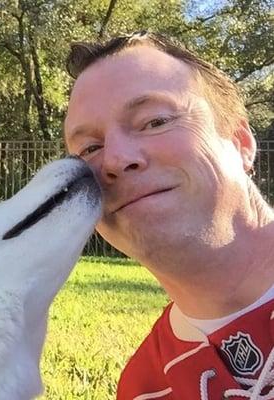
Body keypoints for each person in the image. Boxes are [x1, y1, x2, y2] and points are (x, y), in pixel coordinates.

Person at [64, 31, 274, 399]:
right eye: (90, 148)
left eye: (155, 121)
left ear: (241, 142)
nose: (114, 159)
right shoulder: (143, 388)